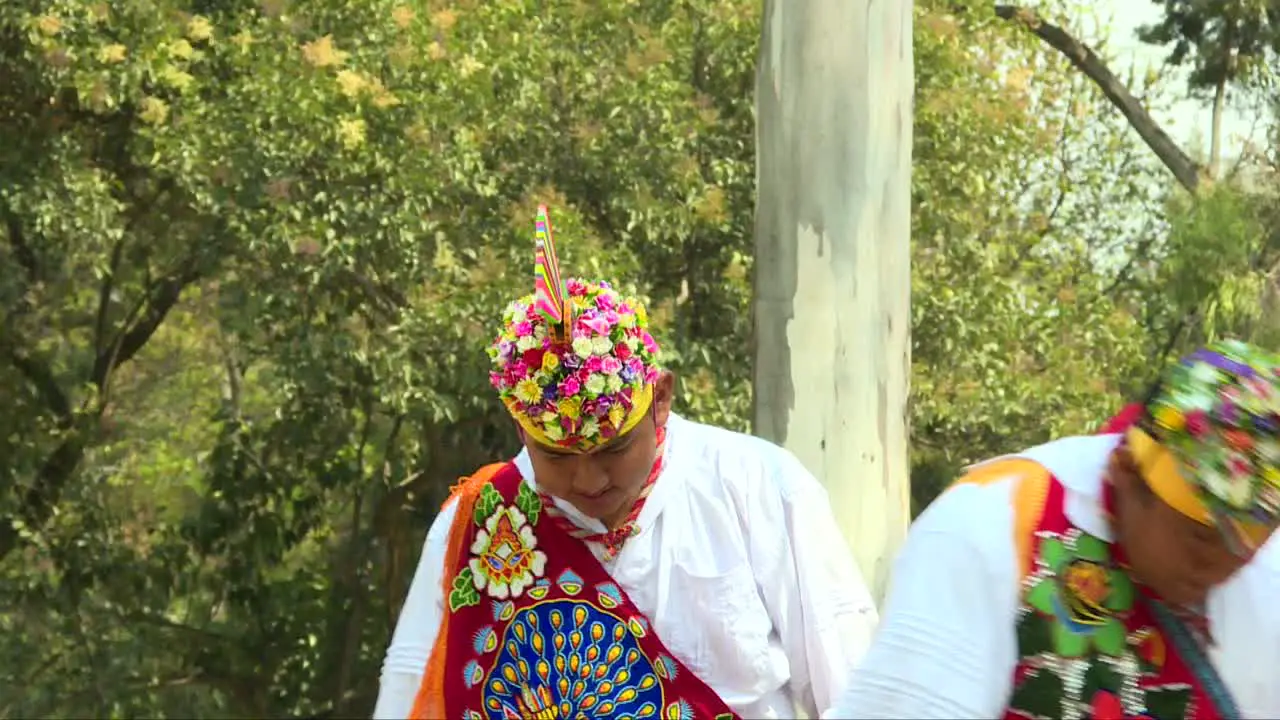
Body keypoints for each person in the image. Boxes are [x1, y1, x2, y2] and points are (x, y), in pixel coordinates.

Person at [373, 206, 878, 720]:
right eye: (557, 456)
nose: (588, 480)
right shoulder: (479, 522)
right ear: (519, 425)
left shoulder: (755, 486)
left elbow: (857, 689)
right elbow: (408, 696)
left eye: (613, 449)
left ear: (661, 400)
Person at [826, 338, 1280, 720]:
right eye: (1199, 536)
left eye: (1247, 544)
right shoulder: (994, 521)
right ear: (1125, 470)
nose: (1221, 565)